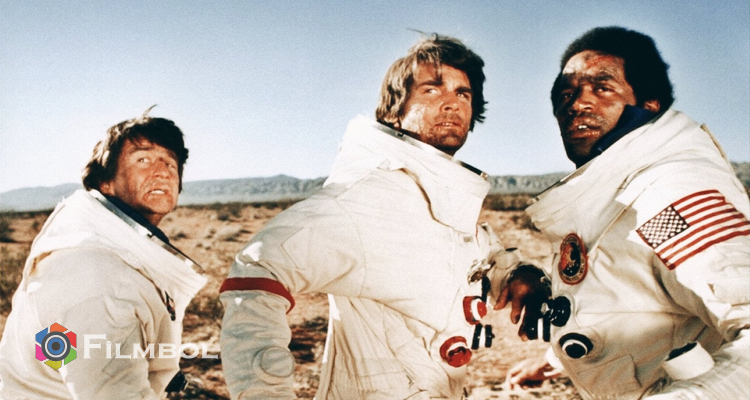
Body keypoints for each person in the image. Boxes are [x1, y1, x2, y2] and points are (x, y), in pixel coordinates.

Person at [220, 35, 547, 399]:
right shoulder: (364, 195)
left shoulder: (439, 192)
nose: (452, 103)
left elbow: (467, 252)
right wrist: (264, 391)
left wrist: (515, 273)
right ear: (394, 110)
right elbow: (258, 268)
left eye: (463, 94)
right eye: (431, 90)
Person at [506, 26, 750, 399]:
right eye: (567, 93)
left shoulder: (670, 194)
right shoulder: (618, 193)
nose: (577, 104)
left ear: (649, 104)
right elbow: (629, 304)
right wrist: (554, 360)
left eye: (602, 88)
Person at [0, 108, 207, 399]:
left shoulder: (105, 255)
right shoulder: (99, 277)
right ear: (105, 183)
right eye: (143, 159)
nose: (162, 171)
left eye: (170, 163)